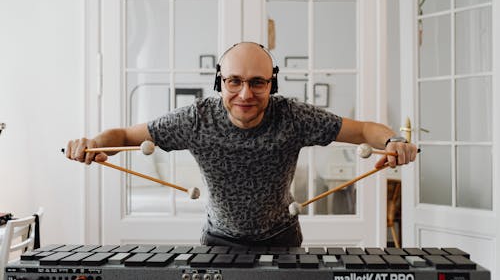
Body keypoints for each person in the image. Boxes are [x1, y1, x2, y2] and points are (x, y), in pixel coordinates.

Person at [66, 42, 418, 247]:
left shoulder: (292, 117)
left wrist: (394, 140)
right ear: (219, 82)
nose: (245, 94)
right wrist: (93, 144)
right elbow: (125, 137)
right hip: (218, 240)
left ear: (272, 84)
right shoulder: (196, 120)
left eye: (257, 83)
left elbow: (365, 130)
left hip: (283, 238)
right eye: (234, 82)